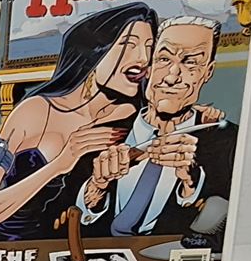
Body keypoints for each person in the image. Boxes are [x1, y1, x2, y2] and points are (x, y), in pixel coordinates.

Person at [0, 4, 157, 241]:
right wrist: (60, 163)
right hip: (2, 247)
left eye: (149, 47)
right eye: (129, 44)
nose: (143, 59)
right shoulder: (35, 111)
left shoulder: (136, 117)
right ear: (94, 52)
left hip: (75, 249)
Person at [76, 15, 238, 241]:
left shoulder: (230, 142)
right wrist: (97, 186)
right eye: (164, 59)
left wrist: (191, 184)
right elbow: (53, 222)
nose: (172, 77)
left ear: (208, 72)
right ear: (149, 65)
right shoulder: (98, 134)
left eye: (190, 63)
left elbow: (231, 226)